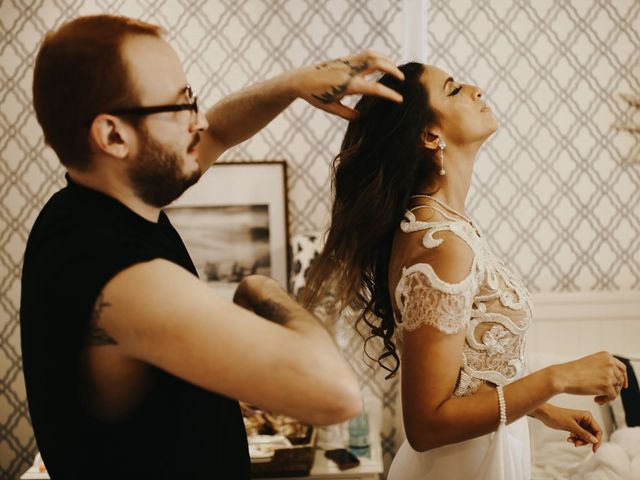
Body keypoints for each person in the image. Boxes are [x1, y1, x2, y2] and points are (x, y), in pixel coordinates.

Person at [20, 14, 405, 480]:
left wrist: (293, 85)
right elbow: (335, 393)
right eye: (181, 105)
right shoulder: (123, 280)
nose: (198, 119)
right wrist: (260, 291)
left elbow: (218, 131)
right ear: (113, 135)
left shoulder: (84, 210)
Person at [301, 62, 629, 479]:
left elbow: (466, 375)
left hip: (488, 451)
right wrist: (557, 378)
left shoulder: (443, 226)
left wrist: (542, 410)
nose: (476, 89)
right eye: (454, 89)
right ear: (429, 135)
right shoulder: (442, 246)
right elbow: (426, 424)